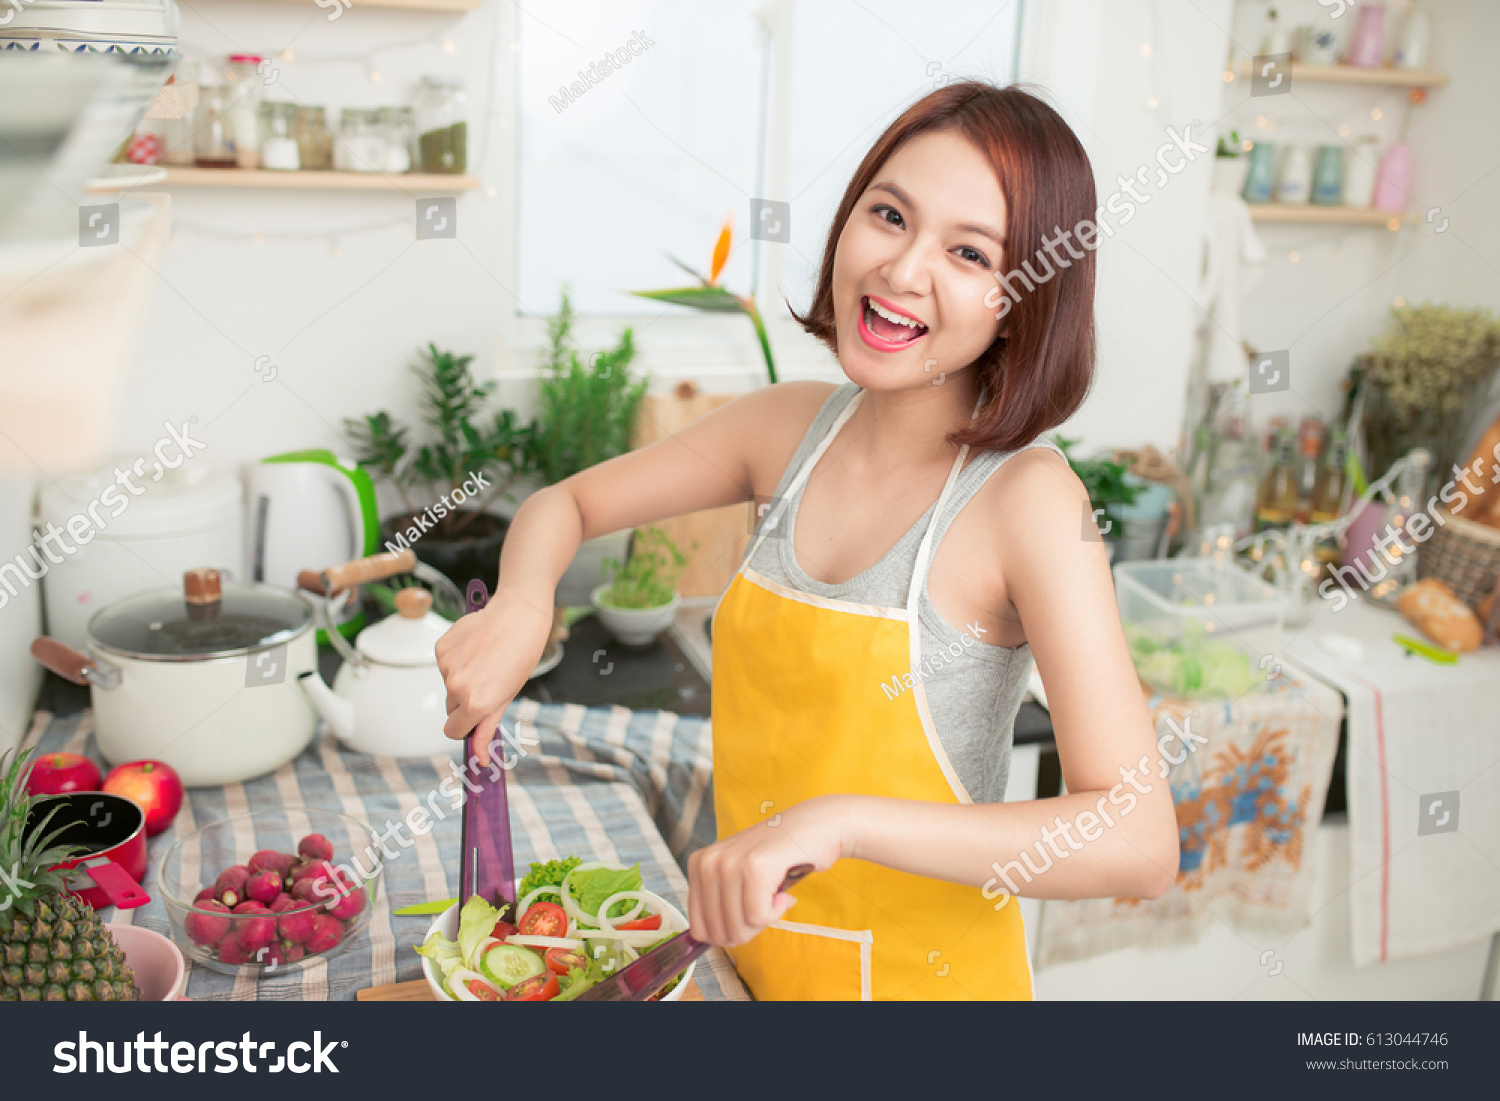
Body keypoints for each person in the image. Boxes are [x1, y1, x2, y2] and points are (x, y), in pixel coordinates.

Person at [436, 82, 1179, 1000]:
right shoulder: (785, 431)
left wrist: (841, 822)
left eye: (969, 251)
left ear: (1021, 302)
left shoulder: (1027, 499)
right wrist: (522, 600)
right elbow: (565, 507)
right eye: (889, 214)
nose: (903, 269)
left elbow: (1140, 841)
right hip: (756, 974)